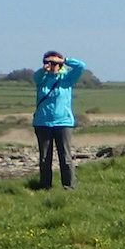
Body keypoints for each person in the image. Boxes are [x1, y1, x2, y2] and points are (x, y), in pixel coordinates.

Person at [31, 52, 88, 190]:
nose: (52, 66)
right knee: (45, 158)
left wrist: (65, 60)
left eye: (55, 63)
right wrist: (45, 68)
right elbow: (35, 77)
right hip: (43, 123)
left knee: (66, 157)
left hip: (63, 122)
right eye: (49, 62)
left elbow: (81, 66)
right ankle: (45, 186)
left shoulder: (67, 78)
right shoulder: (41, 78)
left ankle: (69, 186)